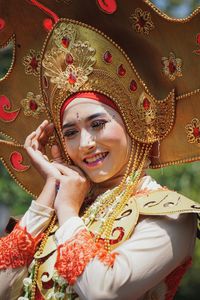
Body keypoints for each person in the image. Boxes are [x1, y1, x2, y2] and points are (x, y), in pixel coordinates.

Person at [0, 3, 200, 300]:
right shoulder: (60, 207)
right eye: (70, 132)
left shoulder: (169, 214)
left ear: (133, 120)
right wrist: (48, 196)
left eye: (97, 124)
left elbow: (104, 291)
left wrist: (67, 211)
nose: (85, 144)